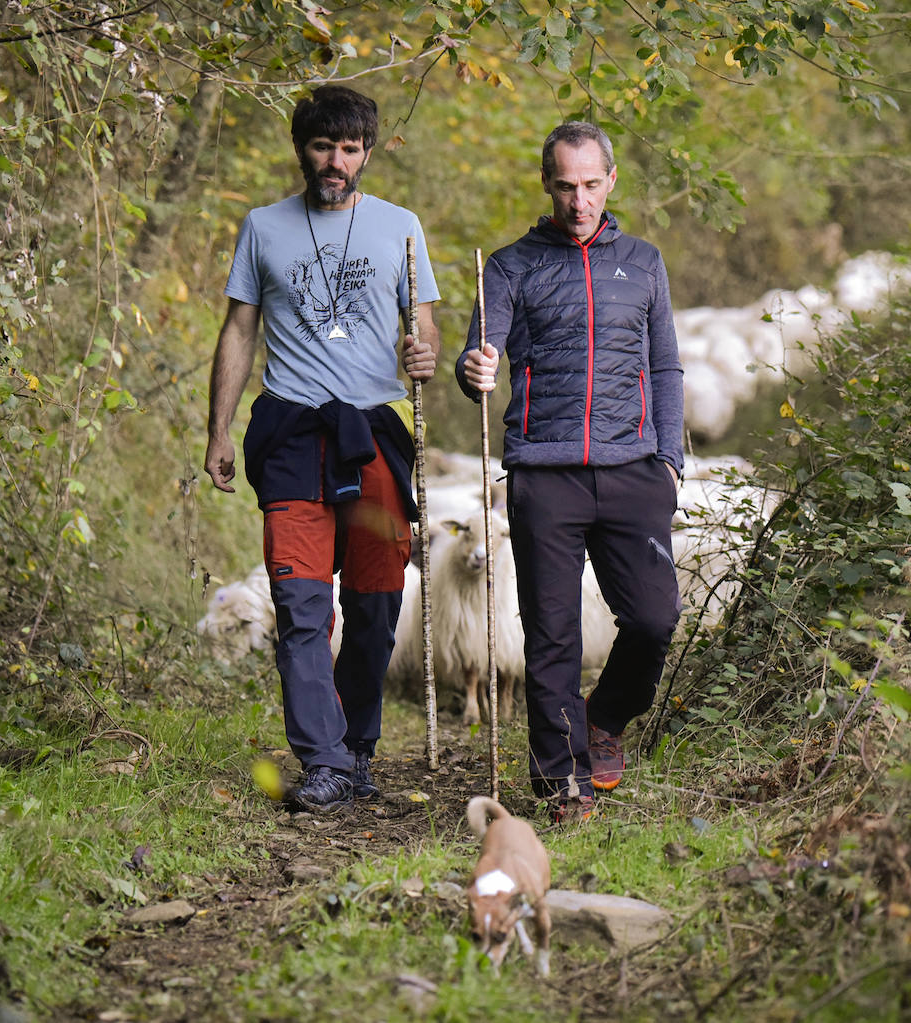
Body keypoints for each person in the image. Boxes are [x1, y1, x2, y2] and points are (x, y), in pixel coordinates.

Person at [205, 85, 440, 814]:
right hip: (291, 434)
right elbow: (240, 330)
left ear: (367, 151)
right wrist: (217, 428)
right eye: (321, 146)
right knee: (301, 604)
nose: (335, 161)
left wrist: (421, 352)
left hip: (374, 436)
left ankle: (358, 747)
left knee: (376, 605)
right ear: (301, 148)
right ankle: (325, 758)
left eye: (348, 148)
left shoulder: (401, 228)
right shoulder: (263, 227)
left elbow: (425, 329)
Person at [456, 121, 684, 824]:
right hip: (542, 470)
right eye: (565, 186)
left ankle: (604, 716)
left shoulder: (643, 263)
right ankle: (563, 783)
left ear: (611, 181)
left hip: (631, 468)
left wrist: (670, 461)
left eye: (590, 185)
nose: (578, 201)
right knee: (552, 632)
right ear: (547, 184)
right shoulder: (509, 266)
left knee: (653, 617)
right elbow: (479, 361)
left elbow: (665, 365)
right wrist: (477, 369)